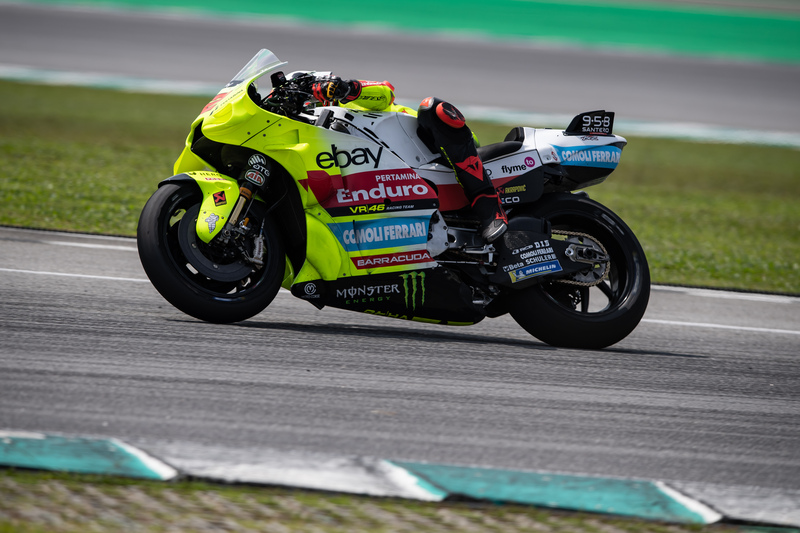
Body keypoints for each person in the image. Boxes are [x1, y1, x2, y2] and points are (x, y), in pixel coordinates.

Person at [308, 75, 508, 243]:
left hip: (435, 146)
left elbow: (386, 93)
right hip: (390, 177)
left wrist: (347, 88)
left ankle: (489, 205)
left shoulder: (343, 101)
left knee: (433, 107)